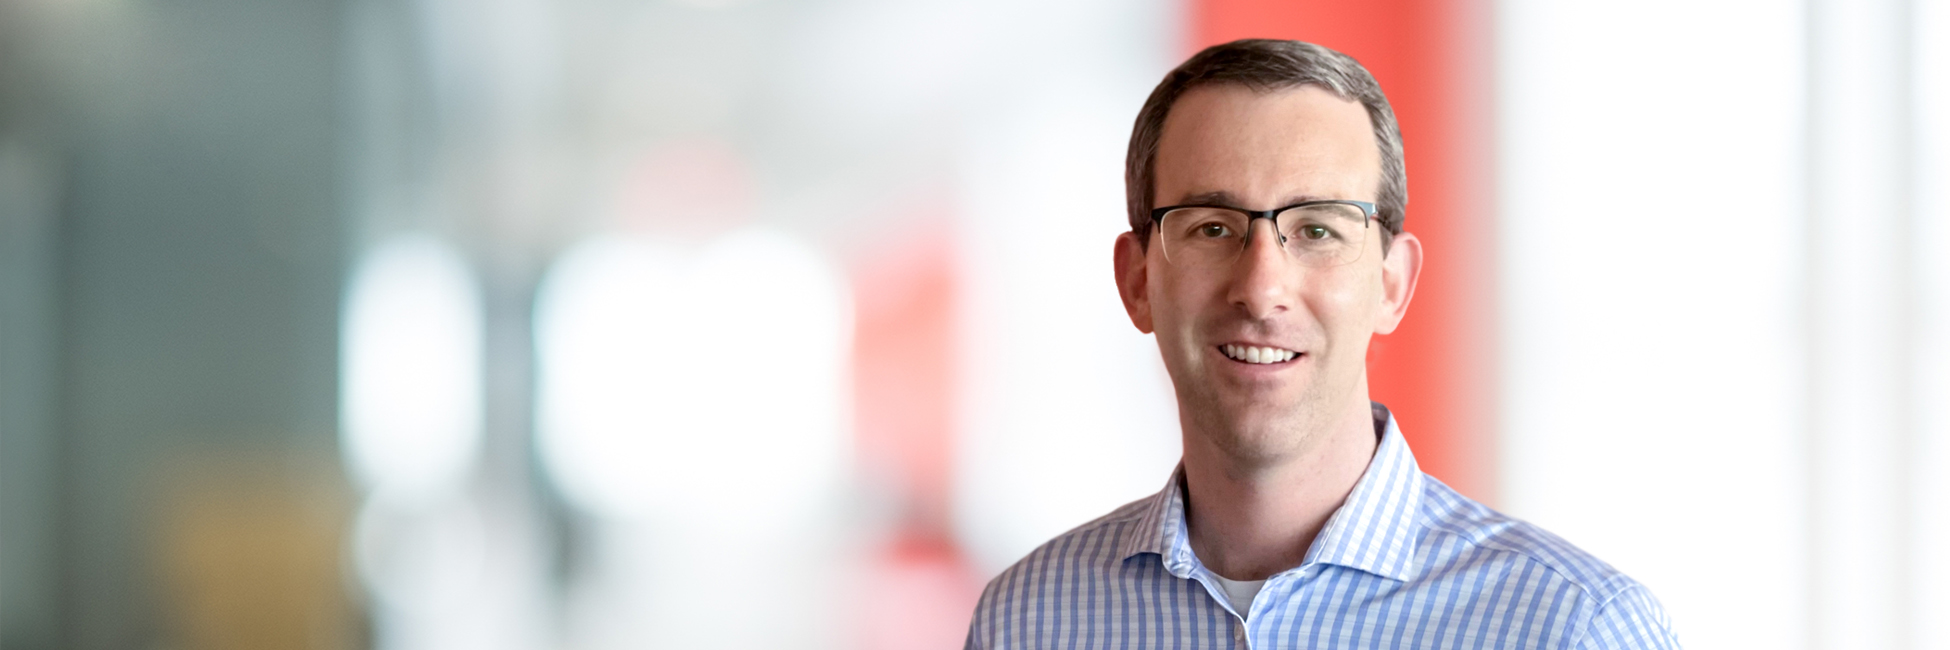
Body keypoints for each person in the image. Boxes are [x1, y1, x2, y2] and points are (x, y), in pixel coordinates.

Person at [962, 39, 1679, 649]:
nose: (1262, 286)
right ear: (1137, 281)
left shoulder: (1574, 629)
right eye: (1212, 226)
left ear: (1392, 284)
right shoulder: (1028, 622)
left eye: (1318, 230)